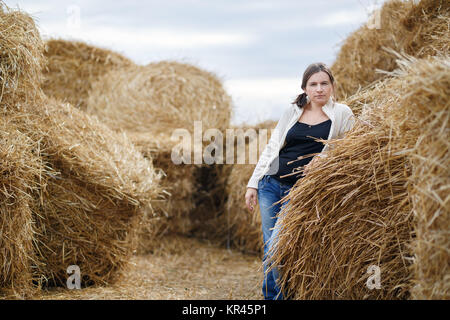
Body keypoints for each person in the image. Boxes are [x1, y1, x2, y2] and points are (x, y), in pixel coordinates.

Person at [244, 62, 355, 300]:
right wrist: (253, 182)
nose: (319, 89)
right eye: (313, 84)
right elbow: (273, 147)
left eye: (324, 83)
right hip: (270, 185)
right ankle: (271, 297)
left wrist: (324, 161)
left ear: (332, 86)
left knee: (277, 246)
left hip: (301, 191)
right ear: (305, 88)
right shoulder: (292, 112)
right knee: (269, 247)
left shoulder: (343, 114)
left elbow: (350, 151)